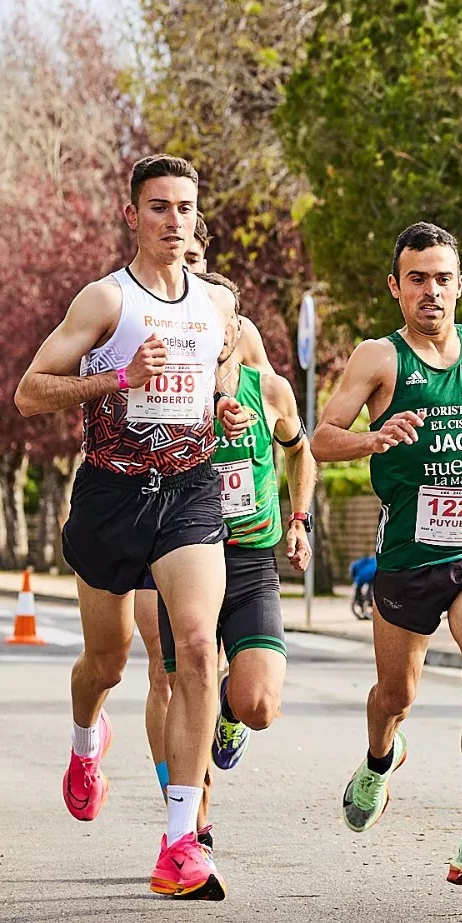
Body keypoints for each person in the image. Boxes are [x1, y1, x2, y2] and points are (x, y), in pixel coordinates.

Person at [13, 153, 248, 901]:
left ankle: (181, 839)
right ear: (133, 216)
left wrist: (227, 406)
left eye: (185, 208)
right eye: (159, 207)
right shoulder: (106, 301)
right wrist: (117, 378)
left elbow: (226, 374)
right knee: (107, 664)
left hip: (189, 494)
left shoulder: (217, 308)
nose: (174, 221)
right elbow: (29, 392)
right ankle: (87, 740)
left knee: (195, 653)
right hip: (113, 500)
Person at [310, 221, 462, 893]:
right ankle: (381, 758)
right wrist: (373, 439)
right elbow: (322, 439)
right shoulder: (379, 358)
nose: (431, 291)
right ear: (396, 288)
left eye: (442, 278)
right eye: (417, 279)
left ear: (460, 284)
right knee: (396, 694)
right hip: (410, 554)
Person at [135, 271, 316, 851]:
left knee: (258, 704)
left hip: (250, 562)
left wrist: (298, 519)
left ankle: (230, 718)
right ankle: (195, 827)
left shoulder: (271, 389)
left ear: (236, 328)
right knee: (187, 679)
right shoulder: (169, 394)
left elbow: (300, 453)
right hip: (186, 558)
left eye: (223, 319)